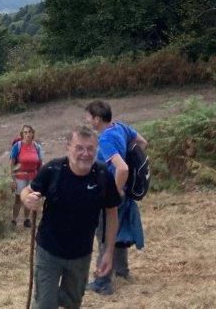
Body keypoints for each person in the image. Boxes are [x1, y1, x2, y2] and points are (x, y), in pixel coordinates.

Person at [21, 126, 121, 309]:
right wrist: (27, 200)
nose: (85, 154)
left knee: (72, 304)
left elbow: (112, 212)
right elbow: (27, 191)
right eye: (79, 148)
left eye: (90, 148)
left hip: (80, 255)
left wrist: (108, 252)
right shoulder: (53, 169)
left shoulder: (101, 175)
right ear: (68, 147)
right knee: (45, 304)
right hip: (49, 252)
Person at [84, 100, 148, 295]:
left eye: (88, 116)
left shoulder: (106, 140)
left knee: (105, 236)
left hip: (112, 194)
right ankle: (121, 270)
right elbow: (143, 143)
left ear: (96, 119)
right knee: (118, 232)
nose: (86, 120)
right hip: (125, 192)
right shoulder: (120, 127)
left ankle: (103, 281)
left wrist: (115, 191)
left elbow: (123, 168)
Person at [9, 124, 43, 227]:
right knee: (18, 198)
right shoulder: (17, 146)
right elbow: (11, 163)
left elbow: (40, 163)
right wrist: (12, 179)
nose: (28, 134)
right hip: (20, 176)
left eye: (30, 132)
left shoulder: (37, 147)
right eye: (25, 132)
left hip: (33, 176)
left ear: (33, 133)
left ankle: (27, 220)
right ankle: (14, 220)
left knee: (29, 198)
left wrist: (40, 179)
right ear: (22, 134)